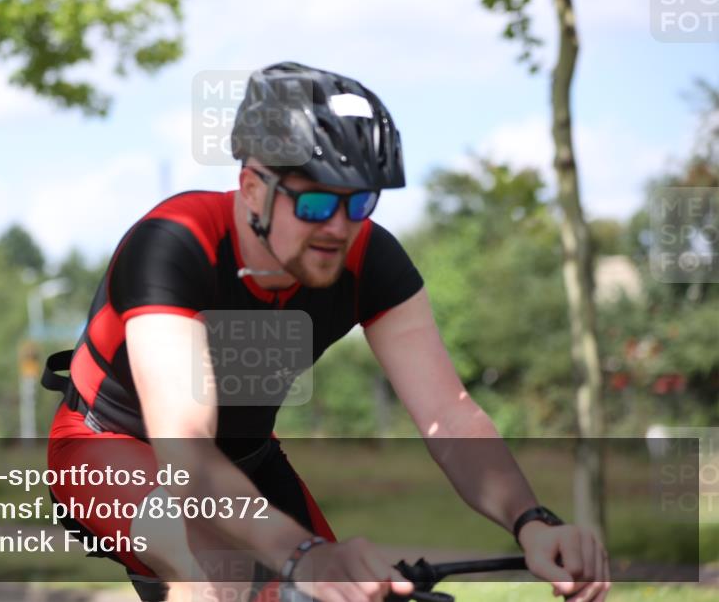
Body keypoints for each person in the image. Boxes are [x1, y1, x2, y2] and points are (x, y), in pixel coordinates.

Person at [43, 62, 611, 602]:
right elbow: (186, 449)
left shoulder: (371, 258)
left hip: (246, 459)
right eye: (315, 203)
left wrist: (532, 522)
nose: (338, 229)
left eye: (359, 202)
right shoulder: (176, 242)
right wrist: (304, 554)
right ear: (252, 189)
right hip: (111, 445)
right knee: (219, 570)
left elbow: (450, 416)